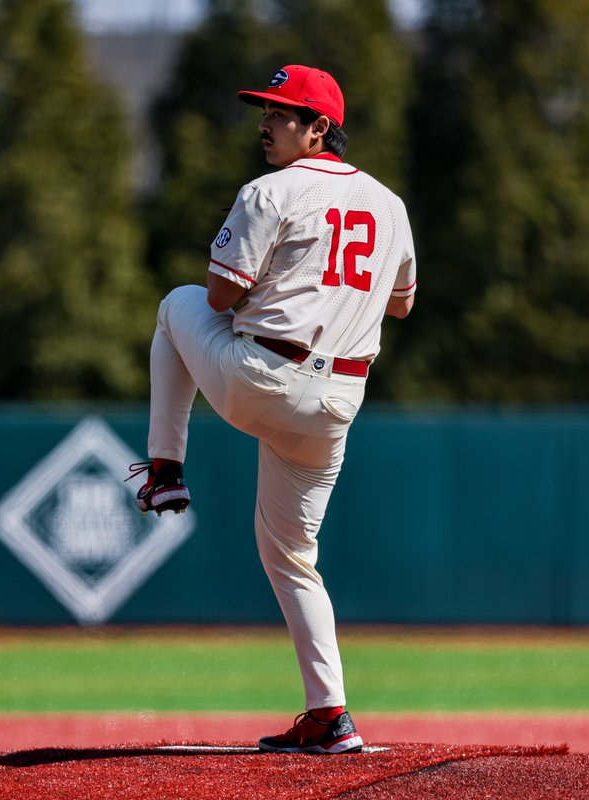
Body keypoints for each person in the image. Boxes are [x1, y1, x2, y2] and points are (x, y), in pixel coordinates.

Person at [129, 64, 416, 754]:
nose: (265, 122)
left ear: (320, 129)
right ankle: (330, 716)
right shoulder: (390, 203)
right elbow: (401, 304)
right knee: (294, 557)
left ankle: (165, 467)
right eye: (265, 110)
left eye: (281, 114)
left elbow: (221, 299)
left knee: (176, 305)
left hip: (261, 377)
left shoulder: (269, 190)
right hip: (337, 403)